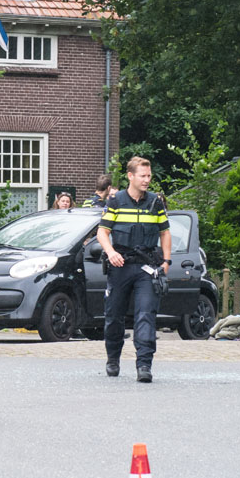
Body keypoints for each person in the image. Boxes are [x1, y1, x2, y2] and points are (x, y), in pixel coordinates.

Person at [97, 156, 171, 383]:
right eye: (143, 176)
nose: (147, 180)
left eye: (149, 176)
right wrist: (111, 252)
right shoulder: (116, 201)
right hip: (120, 267)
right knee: (114, 317)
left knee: (146, 315)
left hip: (146, 267)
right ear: (131, 176)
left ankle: (144, 366)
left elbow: (165, 233)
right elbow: (102, 232)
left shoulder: (155, 203)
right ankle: (113, 359)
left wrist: (166, 261)